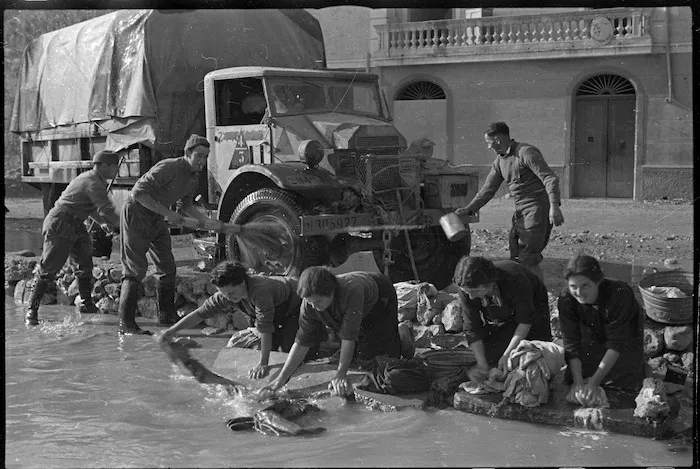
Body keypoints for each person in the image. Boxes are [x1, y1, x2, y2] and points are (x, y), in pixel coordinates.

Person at [118, 134, 223, 335]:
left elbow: (186, 206)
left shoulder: (193, 177)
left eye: (206, 157)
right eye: (199, 156)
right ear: (187, 153)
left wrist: (204, 221)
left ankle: (166, 316)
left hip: (158, 216)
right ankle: (126, 324)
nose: (202, 161)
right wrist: (169, 214)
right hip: (137, 212)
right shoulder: (169, 167)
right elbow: (138, 193)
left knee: (167, 267)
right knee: (134, 269)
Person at [259, 267, 415, 397]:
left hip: (379, 298)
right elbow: (302, 342)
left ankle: (402, 335)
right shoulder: (309, 304)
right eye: (310, 302)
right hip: (349, 308)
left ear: (331, 292)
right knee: (358, 353)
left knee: (382, 362)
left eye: (318, 301)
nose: (313, 306)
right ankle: (362, 348)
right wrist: (279, 380)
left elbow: (348, 337)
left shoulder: (352, 290)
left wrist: (341, 374)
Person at [456, 121, 564, 282]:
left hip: (537, 209)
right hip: (520, 211)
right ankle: (524, 293)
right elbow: (488, 190)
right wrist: (469, 209)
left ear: (498, 139)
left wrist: (554, 207)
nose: (488, 147)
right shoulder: (500, 161)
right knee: (516, 256)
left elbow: (550, 178)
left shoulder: (526, 152)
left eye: (489, 142)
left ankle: (538, 296)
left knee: (528, 257)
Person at [159, 261, 306, 379]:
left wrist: (263, 363)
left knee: (290, 350)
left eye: (231, 293)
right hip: (269, 310)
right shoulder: (226, 294)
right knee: (267, 346)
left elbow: (265, 327)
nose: (228, 298)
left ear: (242, 282)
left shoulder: (260, 291)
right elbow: (200, 314)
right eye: (224, 294)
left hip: (295, 302)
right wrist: (172, 331)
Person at [25, 150, 121, 326]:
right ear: (105, 166)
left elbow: (90, 207)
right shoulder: (94, 183)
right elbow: (107, 210)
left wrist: (101, 223)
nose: (117, 171)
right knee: (49, 268)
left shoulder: (91, 178)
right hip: (61, 224)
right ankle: (32, 309)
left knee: (84, 262)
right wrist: (123, 225)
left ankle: (86, 303)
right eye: (115, 167)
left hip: (76, 225)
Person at [558, 254, 646, 401]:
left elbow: (616, 343)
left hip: (624, 336)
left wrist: (593, 383)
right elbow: (571, 342)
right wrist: (578, 381)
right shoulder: (567, 298)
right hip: (593, 332)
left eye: (585, 285)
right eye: (573, 286)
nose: (579, 293)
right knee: (574, 377)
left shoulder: (619, 294)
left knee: (623, 382)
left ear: (598, 281)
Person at [453, 256, 552, 383]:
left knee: (533, 356)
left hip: (533, 310)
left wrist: (507, 355)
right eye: (467, 292)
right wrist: (482, 365)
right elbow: (472, 327)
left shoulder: (515, 278)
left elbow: (525, 320)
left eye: (475, 291)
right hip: (505, 315)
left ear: (489, 283)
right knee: (486, 356)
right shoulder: (467, 290)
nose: (471, 297)